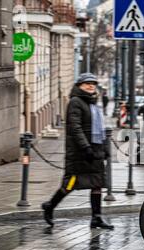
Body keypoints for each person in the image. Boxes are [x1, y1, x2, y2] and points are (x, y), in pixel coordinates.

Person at [42, 73, 114, 230]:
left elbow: (100, 129)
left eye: (93, 83)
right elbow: (75, 127)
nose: (91, 86)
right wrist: (86, 147)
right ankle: (50, 205)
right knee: (70, 184)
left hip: (94, 152)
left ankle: (96, 218)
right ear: (79, 85)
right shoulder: (76, 102)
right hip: (80, 153)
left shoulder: (94, 103)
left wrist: (105, 148)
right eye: (87, 83)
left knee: (97, 184)